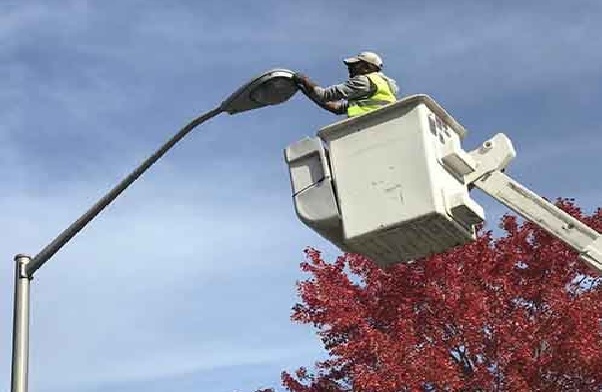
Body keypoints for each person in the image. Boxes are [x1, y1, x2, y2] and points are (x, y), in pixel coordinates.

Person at [293, 51, 399, 117]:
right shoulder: (386, 84)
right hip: (381, 123)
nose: (350, 68)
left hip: (367, 126)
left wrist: (304, 80)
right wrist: (307, 92)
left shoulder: (363, 81)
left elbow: (324, 95)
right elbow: (337, 109)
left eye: (355, 64)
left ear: (367, 67)